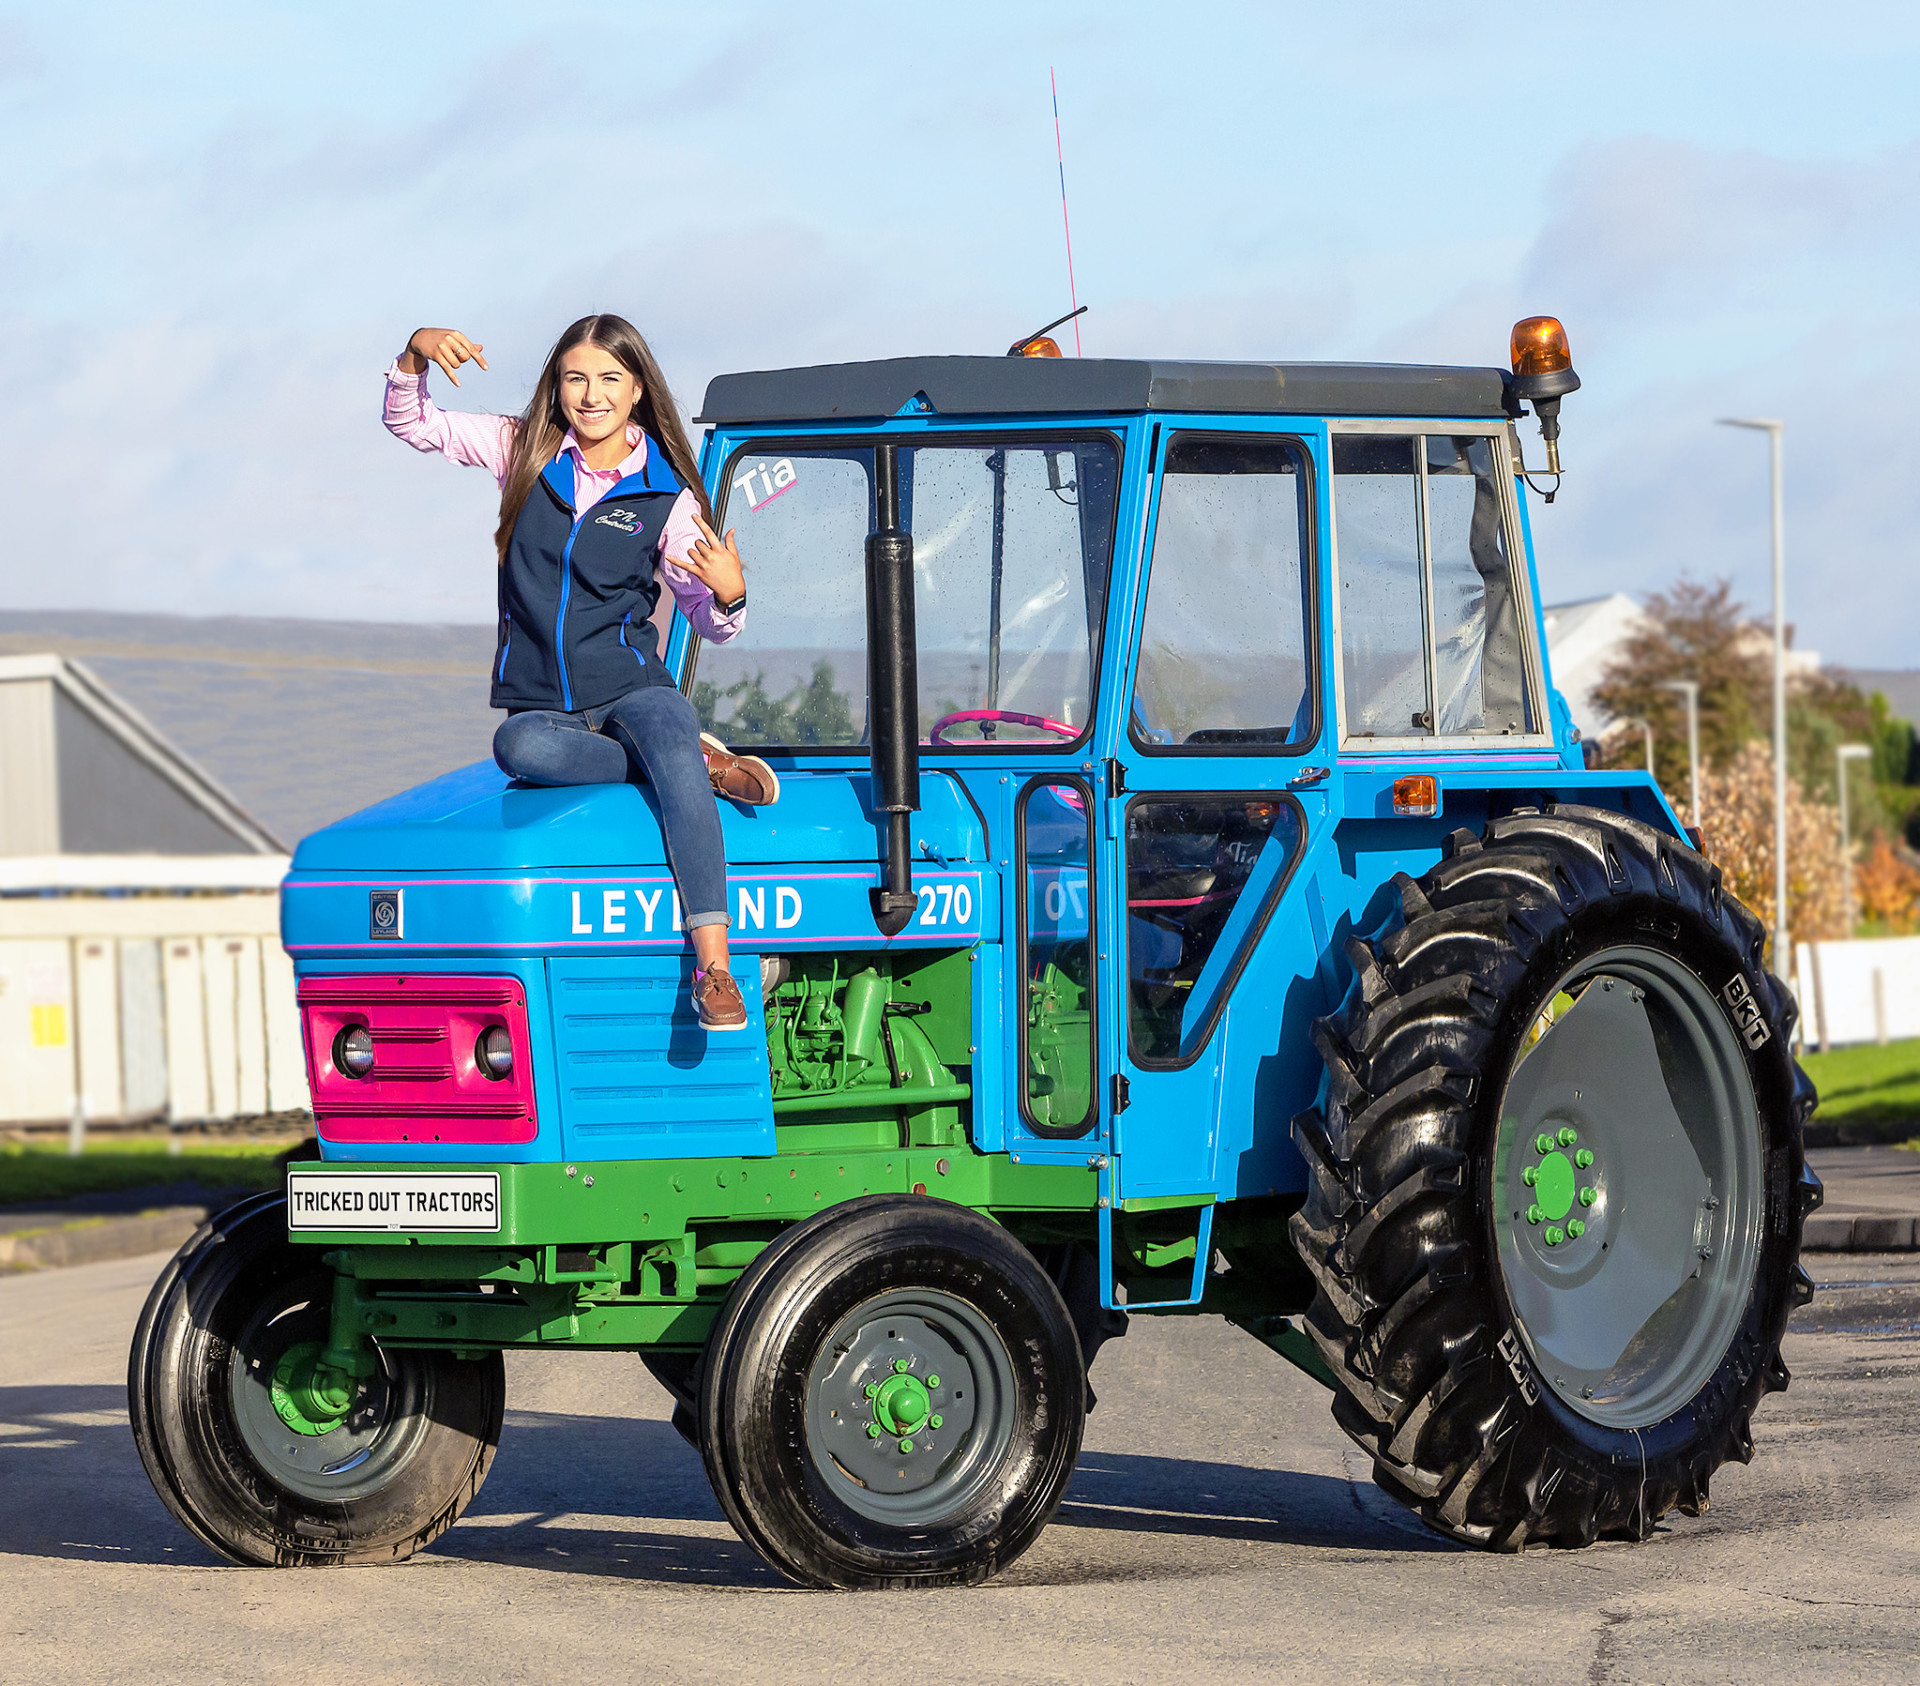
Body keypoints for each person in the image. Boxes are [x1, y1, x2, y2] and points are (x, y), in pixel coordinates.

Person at [383, 313, 776, 1031]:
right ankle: (689, 764)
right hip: (545, 706)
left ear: (636, 392)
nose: (591, 395)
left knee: (666, 728)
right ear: (557, 387)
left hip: (631, 686)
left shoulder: (668, 496)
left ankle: (715, 967)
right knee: (517, 750)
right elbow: (414, 424)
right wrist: (415, 353)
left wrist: (730, 591)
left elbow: (713, 621)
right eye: (575, 378)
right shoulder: (522, 451)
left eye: (608, 380)